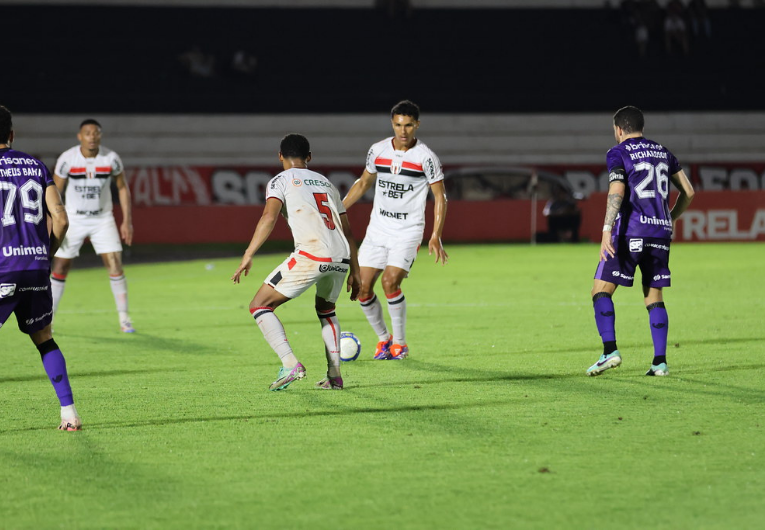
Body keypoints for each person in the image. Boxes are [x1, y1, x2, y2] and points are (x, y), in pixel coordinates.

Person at [231, 134, 361, 391]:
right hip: (341, 256)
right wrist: (355, 271)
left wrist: (248, 253)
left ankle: (290, 363)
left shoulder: (280, 180)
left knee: (259, 305)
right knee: (327, 310)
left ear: (280, 156)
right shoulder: (327, 183)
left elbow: (269, 216)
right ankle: (335, 376)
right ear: (309, 157)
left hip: (312, 254)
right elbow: (347, 231)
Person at [587, 106, 695, 377]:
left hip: (630, 232)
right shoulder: (663, 152)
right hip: (660, 233)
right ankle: (659, 362)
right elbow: (689, 192)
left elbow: (617, 189)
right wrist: (670, 218)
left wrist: (605, 229)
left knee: (600, 289)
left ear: (619, 129)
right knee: (654, 295)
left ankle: (609, 351)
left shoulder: (619, 152)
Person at [343, 100, 448, 360]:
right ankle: (384, 341)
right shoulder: (377, 150)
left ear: (417, 125)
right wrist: (339, 209)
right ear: (393, 124)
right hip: (378, 229)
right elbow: (363, 182)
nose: (403, 131)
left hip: (408, 230)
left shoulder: (426, 157)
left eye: (408, 125)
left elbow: (440, 196)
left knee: (391, 281)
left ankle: (400, 344)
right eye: (399, 125)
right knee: (362, 288)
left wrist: (435, 235)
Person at [0, 105, 82, 430]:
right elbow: (60, 219)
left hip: (2, 267)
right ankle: (69, 413)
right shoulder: (35, 165)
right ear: (11, 134)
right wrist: (45, 256)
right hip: (35, 266)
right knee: (44, 338)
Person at [50, 119, 135, 333]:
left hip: (102, 218)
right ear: (80, 136)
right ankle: (48, 319)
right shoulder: (68, 159)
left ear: (100, 135)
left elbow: (123, 188)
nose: (92, 136)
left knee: (115, 264)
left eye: (96, 132)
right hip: (74, 218)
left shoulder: (111, 158)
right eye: (87, 133)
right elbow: (54, 191)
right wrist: (53, 219)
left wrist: (127, 220)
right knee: (60, 267)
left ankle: (124, 319)